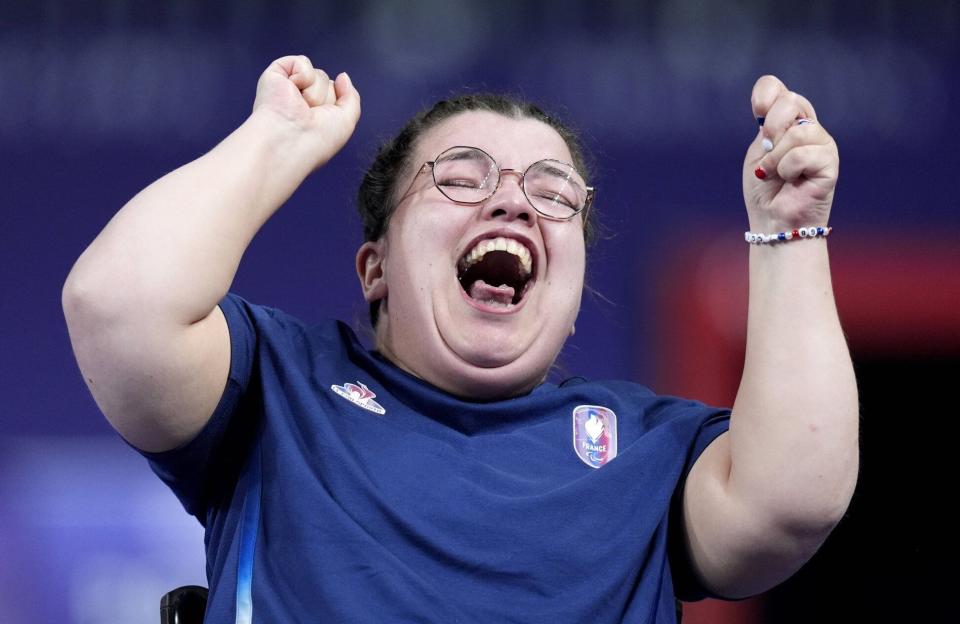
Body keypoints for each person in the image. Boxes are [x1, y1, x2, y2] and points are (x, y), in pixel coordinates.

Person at [62, 55, 859, 623]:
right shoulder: (276, 387)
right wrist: (277, 138)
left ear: (575, 296)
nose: (512, 204)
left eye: (553, 195)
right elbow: (118, 306)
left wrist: (791, 231)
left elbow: (791, 502)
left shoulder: (650, 453)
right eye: (462, 177)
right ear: (374, 267)